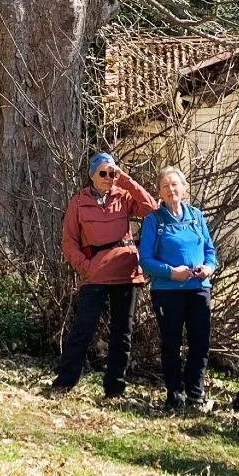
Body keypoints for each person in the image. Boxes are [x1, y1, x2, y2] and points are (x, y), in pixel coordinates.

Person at [49, 154, 159, 399]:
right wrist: (85, 266)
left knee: (122, 333)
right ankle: (63, 383)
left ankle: (114, 389)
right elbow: (69, 242)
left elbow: (151, 208)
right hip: (95, 275)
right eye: (103, 173)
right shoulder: (78, 202)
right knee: (83, 329)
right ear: (91, 175)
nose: (108, 178)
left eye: (112, 173)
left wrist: (127, 180)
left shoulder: (123, 196)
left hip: (127, 273)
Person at [137, 168, 218, 413]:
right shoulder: (154, 220)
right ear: (159, 191)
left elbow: (210, 252)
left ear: (183, 187)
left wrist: (209, 268)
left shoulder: (196, 216)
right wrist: (171, 272)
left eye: (175, 185)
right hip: (167, 291)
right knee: (171, 343)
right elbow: (145, 260)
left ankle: (195, 394)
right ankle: (174, 395)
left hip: (198, 289)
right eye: (165, 186)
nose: (171, 190)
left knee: (200, 343)